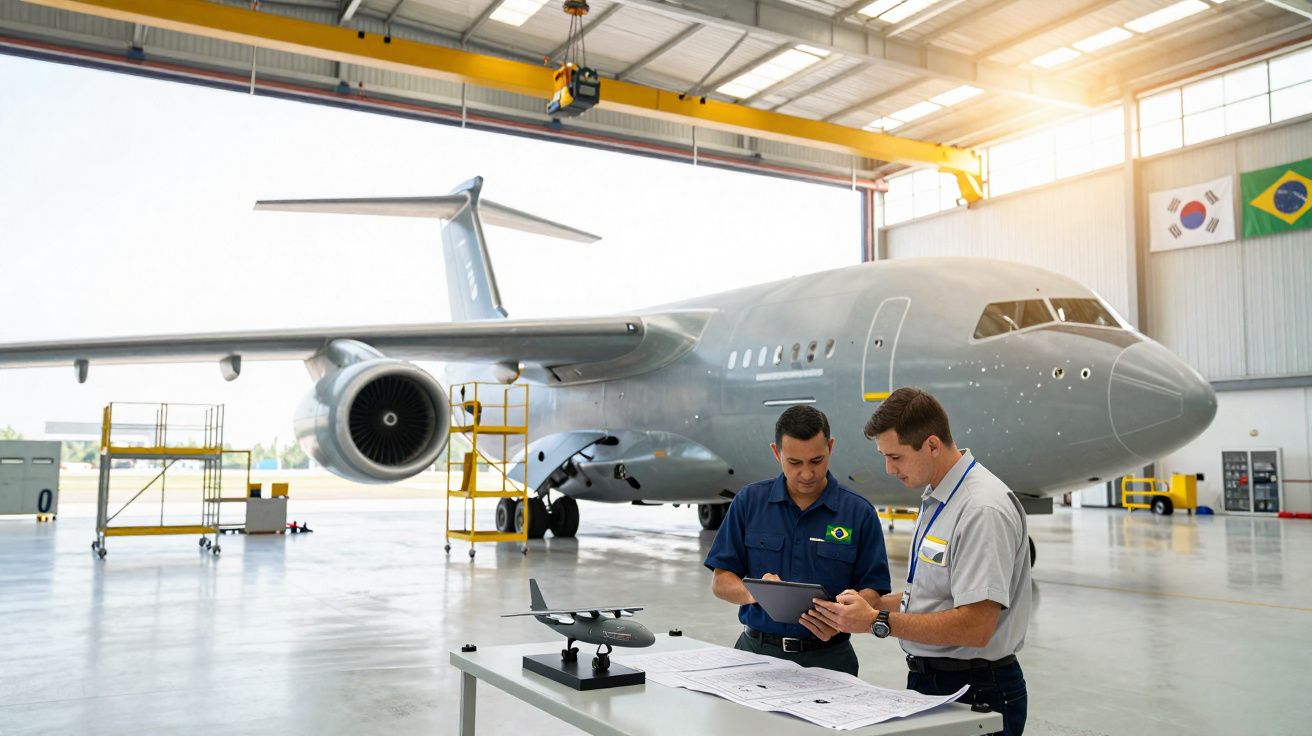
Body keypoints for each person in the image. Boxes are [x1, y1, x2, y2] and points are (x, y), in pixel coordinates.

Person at [807, 387, 1032, 735]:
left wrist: (877, 621)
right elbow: (931, 595)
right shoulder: (940, 498)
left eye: (895, 457)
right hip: (936, 683)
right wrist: (868, 604)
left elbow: (976, 625)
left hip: (977, 689)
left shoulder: (980, 509)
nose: (888, 469)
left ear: (931, 444)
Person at [704, 405, 890, 675]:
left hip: (830, 660)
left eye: (816, 460)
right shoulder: (749, 503)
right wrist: (753, 592)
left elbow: (873, 590)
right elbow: (721, 581)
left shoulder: (858, 513)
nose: (806, 474)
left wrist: (842, 619)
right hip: (756, 655)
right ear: (776, 452)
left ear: (831, 447)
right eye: (794, 463)